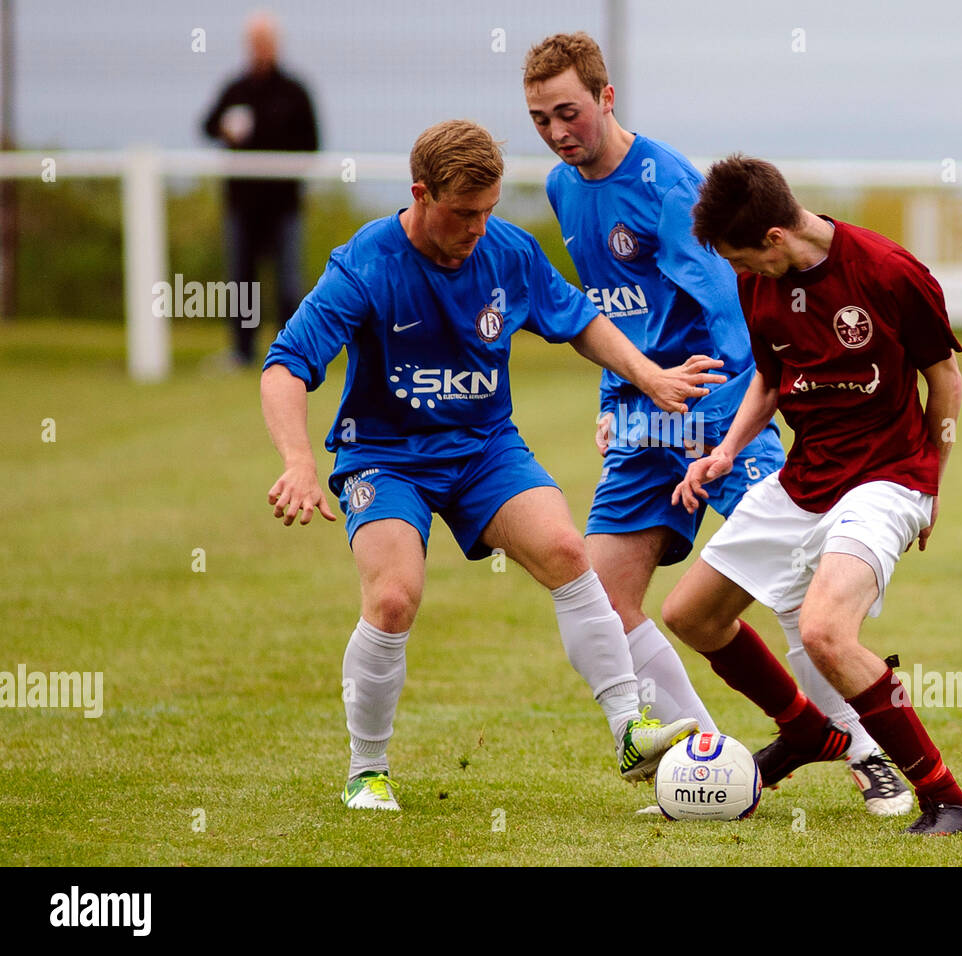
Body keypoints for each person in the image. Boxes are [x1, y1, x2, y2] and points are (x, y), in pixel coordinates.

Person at [260, 120, 723, 810]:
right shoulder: (367, 264)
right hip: (386, 456)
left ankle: (630, 729)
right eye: (464, 213)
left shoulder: (508, 251)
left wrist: (650, 376)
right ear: (421, 194)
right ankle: (368, 770)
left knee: (568, 551)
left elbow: (580, 320)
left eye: (490, 211)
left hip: (483, 448)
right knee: (393, 597)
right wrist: (298, 460)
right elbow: (285, 366)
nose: (479, 228)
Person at [522, 32, 912, 815]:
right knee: (602, 597)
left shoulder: (666, 183)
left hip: (715, 411)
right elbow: (608, 310)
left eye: (569, 112)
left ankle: (874, 751)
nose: (558, 132)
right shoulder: (564, 191)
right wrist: (614, 401)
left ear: (605, 97)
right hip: (642, 420)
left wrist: (728, 417)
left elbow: (734, 309)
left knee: (797, 597)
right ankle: (707, 765)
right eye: (539, 119)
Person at [661, 155, 962, 834]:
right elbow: (774, 379)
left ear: (776, 237)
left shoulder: (890, 272)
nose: (741, 275)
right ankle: (809, 733)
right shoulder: (761, 285)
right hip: (804, 476)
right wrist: (724, 452)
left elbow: (946, 379)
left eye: (743, 259)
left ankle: (949, 800)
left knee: (824, 632)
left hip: (887, 476)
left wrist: (932, 482)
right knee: (690, 613)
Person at [202, 11, 318, 368]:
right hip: (242, 205)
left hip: (283, 206)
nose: (261, 48)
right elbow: (207, 126)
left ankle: (291, 354)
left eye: (266, 41)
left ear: (276, 45)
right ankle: (242, 351)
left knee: (288, 282)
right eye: (255, 42)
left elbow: (312, 143)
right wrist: (226, 130)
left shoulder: (295, 91)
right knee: (242, 283)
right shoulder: (236, 89)